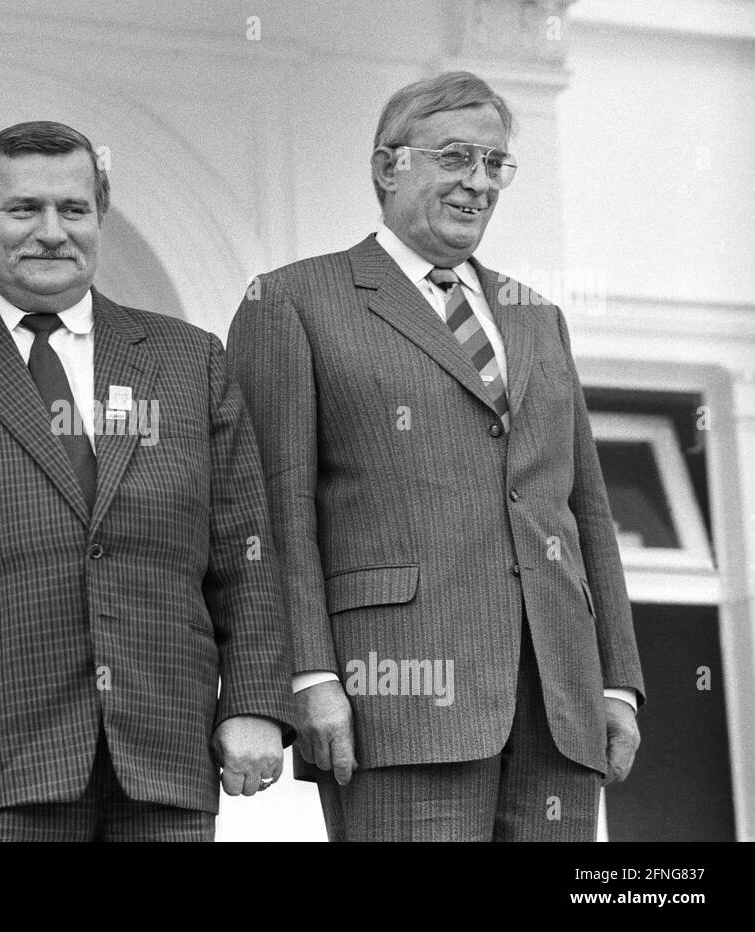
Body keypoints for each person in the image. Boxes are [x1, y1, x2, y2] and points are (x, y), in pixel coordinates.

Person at [0, 120, 293, 842]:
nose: (52, 231)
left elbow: (246, 550)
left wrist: (253, 702)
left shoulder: (190, 361)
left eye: (74, 209)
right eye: (24, 209)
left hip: (165, 756)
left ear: (98, 219)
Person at [226, 71, 645, 841]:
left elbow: (585, 507)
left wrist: (618, 678)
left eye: (494, 164)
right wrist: (310, 677)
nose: (478, 182)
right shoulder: (292, 301)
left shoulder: (537, 316)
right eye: (455, 158)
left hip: (559, 704)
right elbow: (273, 513)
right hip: (397, 697)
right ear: (390, 167)